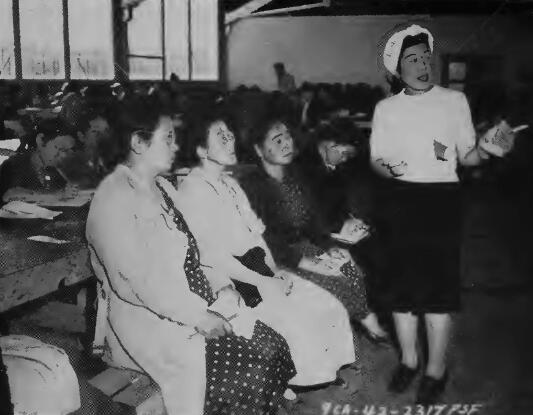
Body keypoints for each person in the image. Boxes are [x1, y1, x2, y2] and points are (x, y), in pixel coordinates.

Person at [86, 99, 297, 414]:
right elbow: (131, 283)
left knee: (271, 344)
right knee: (247, 367)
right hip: (149, 319)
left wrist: (220, 282)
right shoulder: (112, 199)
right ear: (138, 143)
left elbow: (196, 251)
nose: (176, 145)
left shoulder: (165, 190)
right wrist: (197, 316)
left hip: (192, 301)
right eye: (168, 137)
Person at [369, 24, 512, 404]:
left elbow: (467, 156)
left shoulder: (454, 102)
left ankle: (436, 368)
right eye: (411, 59)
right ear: (396, 70)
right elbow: (377, 159)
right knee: (401, 293)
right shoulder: (387, 108)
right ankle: (410, 361)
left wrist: (486, 149)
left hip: (441, 204)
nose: (421, 64)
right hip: (399, 202)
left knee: (437, 293)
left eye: (424, 57)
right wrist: (390, 168)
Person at [176, 111, 356, 387]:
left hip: (258, 267)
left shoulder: (230, 183)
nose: (229, 139)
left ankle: (324, 371)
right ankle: (302, 377)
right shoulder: (192, 189)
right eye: (219, 136)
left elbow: (258, 235)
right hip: (229, 280)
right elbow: (212, 256)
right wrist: (264, 281)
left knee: (328, 306)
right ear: (201, 150)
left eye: (229, 133)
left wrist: (274, 271)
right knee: (297, 318)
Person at [238, 115, 389, 344]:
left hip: (301, 247)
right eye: (277, 140)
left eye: (287, 137)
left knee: (350, 268)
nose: (287, 143)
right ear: (259, 150)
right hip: (273, 257)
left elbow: (313, 221)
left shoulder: (294, 176)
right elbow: (264, 239)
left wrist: (329, 247)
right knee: (335, 281)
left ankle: (359, 328)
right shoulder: (252, 186)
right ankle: (363, 326)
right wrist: (306, 262)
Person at [0, 118, 76, 200]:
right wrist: (58, 195)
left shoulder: (53, 170)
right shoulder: (14, 165)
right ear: (40, 140)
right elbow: (8, 196)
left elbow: (62, 189)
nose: (63, 155)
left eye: (67, 150)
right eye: (60, 148)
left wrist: (68, 190)